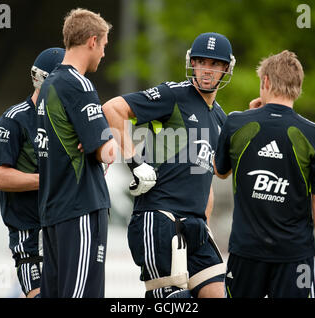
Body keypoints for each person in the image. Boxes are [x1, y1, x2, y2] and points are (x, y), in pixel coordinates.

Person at [102, 32, 237, 298]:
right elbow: (112, 108)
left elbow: (211, 174)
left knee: (218, 293)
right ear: (192, 63)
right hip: (159, 218)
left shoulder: (221, 118)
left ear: (225, 68)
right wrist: (134, 162)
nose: (206, 70)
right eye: (201, 62)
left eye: (214, 64)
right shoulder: (173, 95)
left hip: (196, 225)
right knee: (171, 300)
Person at [214, 50, 315, 298]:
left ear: (266, 82)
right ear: (298, 87)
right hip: (295, 257)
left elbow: (220, 171)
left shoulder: (236, 123)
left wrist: (247, 114)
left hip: (245, 253)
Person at [35, 8, 116, 298]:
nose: (104, 54)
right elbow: (105, 152)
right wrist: (108, 138)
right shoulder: (78, 84)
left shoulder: (48, 86)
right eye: (104, 45)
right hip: (80, 207)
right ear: (92, 41)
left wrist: (94, 139)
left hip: (54, 210)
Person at [0, 47, 65, 298]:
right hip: (30, 234)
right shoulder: (14, 120)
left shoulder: (64, 122)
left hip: (62, 229)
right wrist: (47, 181)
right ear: (44, 80)